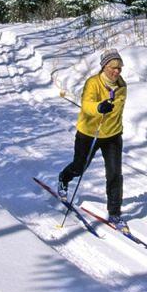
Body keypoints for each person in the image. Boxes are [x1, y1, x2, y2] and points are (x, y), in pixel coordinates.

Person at [58, 49, 129, 230]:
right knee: (79, 167)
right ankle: (64, 179)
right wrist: (99, 107)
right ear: (104, 66)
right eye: (113, 67)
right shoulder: (93, 83)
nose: (117, 71)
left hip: (112, 135)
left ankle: (114, 213)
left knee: (114, 175)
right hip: (89, 133)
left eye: (119, 68)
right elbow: (87, 105)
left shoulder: (122, 87)